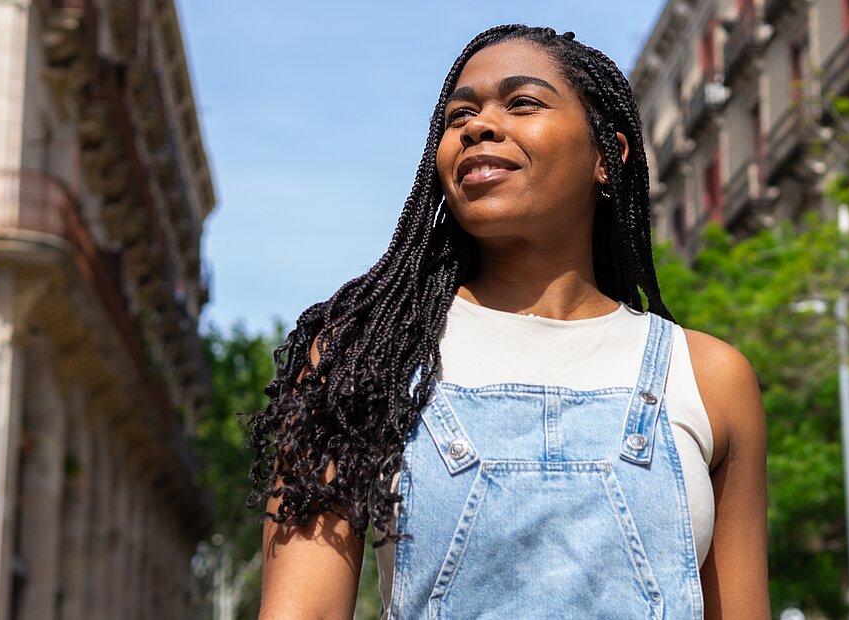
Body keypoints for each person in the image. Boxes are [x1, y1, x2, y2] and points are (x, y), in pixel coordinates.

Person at [249, 24, 768, 619]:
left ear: (607, 155)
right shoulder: (359, 358)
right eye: (457, 116)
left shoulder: (711, 378)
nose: (477, 126)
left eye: (522, 103)